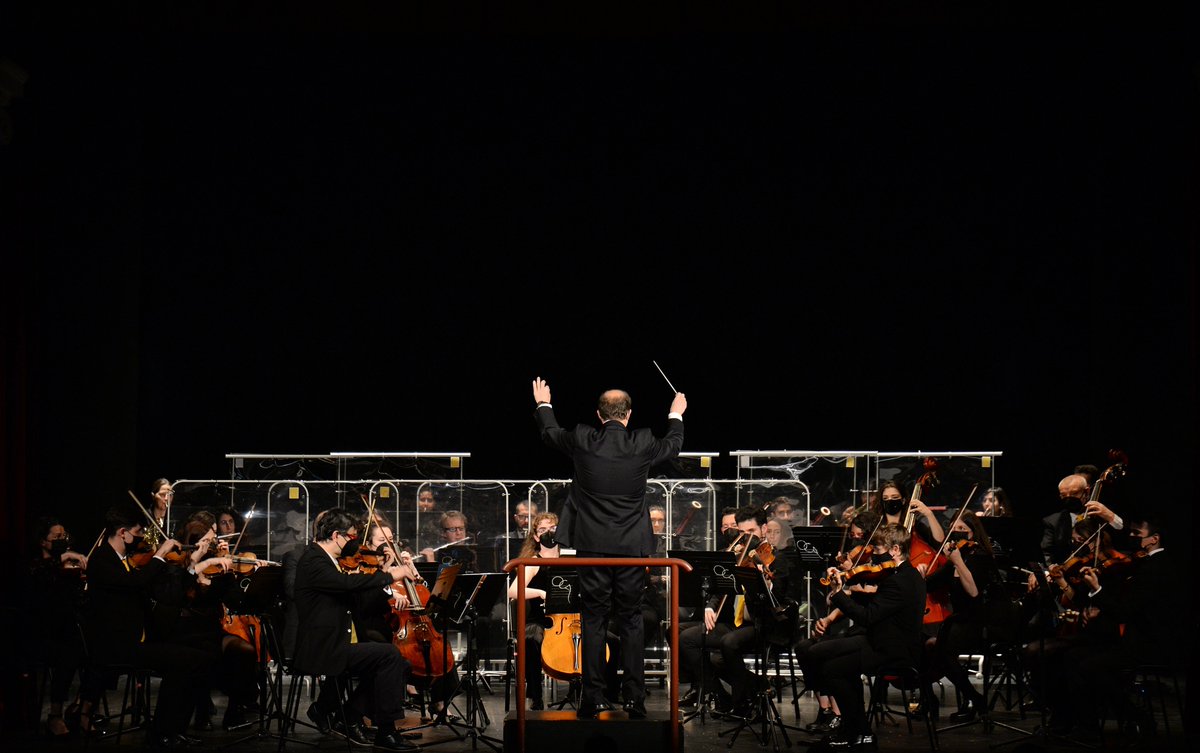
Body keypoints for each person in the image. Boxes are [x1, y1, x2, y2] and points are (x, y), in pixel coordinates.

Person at [531, 376, 686, 720]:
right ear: (628, 414)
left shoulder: (584, 438)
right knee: (631, 620)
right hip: (631, 548)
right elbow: (673, 444)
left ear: (599, 415)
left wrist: (544, 404)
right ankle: (634, 699)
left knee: (594, 618)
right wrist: (676, 413)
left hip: (592, 548)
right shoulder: (643, 441)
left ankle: (594, 698)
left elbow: (550, 434)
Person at [76, 504, 222, 750]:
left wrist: (190, 566)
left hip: (138, 641)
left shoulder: (124, 561)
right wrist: (159, 555)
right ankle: (163, 731)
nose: (141, 538)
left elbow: (164, 594)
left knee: (199, 656)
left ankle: (172, 729)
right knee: (185, 661)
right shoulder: (102, 560)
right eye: (138, 533)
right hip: (117, 646)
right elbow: (134, 583)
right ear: (123, 533)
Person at [292, 507, 417, 751]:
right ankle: (387, 732)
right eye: (351, 537)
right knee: (388, 655)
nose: (354, 543)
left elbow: (356, 600)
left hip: (337, 642)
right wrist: (389, 576)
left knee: (400, 663)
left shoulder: (329, 560)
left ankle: (349, 715)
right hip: (323, 647)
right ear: (336, 535)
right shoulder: (313, 559)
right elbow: (346, 584)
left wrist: (382, 572)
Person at [803, 524, 926, 750]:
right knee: (821, 656)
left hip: (892, 650)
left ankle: (857, 730)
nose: (874, 557)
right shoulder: (904, 575)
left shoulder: (899, 581)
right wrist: (848, 586)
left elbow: (869, 617)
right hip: (883, 642)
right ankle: (856, 730)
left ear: (895, 550)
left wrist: (839, 594)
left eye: (877, 550)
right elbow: (879, 607)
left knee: (831, 666)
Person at [920, 510, 1004, 722]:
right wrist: (920, 575)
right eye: (954, 530)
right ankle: (942, 699)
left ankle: (973, 699)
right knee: (925, 645)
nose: (956, 534)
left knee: (940, 650)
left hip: (980, 621)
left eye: (962, 530)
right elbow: (931, 584)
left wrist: (958, 562)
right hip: (958, 621)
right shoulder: (955, 557)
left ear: (972, 534)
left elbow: (974, 593)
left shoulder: (980, 557)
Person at [28, 516, 89, 738]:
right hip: (43, 633)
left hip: (69, 628)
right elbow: (40, 583)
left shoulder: (66, 568)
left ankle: (82, 705)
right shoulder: (36, 566)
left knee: (99, 648)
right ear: (43, 542)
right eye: (56, 537)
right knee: (70, 650)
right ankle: (55, 715)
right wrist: (65, 557)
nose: (62, 540)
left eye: (64, 536)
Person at [506, 512, 561, 710]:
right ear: (536, 537)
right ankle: (536, 697)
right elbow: (513, 590)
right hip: (540, 619)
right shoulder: (533, 561)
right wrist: (540, 592)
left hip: (569, 620)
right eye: (543, 530)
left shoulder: (570, 558)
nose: (549, 533)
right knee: (530, 639)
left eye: (553, 528)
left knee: (609, 640)